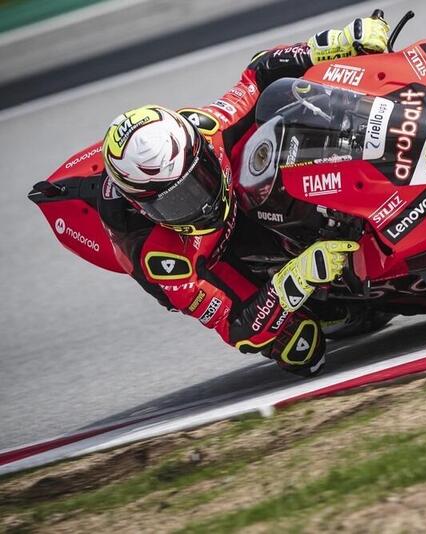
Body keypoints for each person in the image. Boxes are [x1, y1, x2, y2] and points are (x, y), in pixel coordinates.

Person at [98, 15, 390, 377]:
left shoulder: (204, 129)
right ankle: (331, 303)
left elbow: (257, 75)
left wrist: (332, 43)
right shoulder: (162, 257)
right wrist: (295, 280)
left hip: (245, 188)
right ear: (144, 209)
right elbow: (236, 327)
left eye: (199, 178)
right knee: (299, 346)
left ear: (199, 150)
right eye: (177, 202)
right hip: (218, 256)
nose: (201, 202)